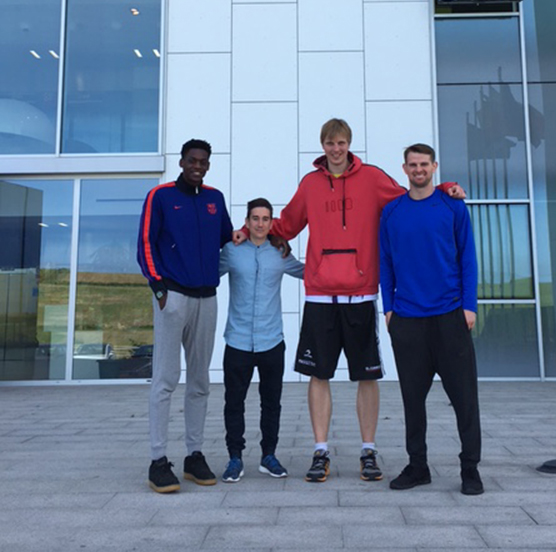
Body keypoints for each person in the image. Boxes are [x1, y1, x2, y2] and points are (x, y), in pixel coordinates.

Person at [234, 118, 465, 483]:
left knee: (366, 376)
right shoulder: (311, 184)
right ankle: (320, 451)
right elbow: (286, 224)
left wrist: (444, 187)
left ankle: (368, 451)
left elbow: (411, 196)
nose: (336, 149)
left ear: (349, 144)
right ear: (323, 146)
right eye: (330, 143)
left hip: (361, 294)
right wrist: (247, 229)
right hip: (320, 296)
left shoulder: (372, 178)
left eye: (341, 142)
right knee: (318, 374)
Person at [379, 143, 483, 496]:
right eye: (413, 165)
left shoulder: (452, 206)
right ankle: (418, 466)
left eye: (424, 164)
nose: (419, 169)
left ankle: (470, 469)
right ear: (404, 169)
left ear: (434, 167)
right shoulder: (392, 212)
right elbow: (385, 262)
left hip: (450, 316)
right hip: (408, 319)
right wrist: (389, 310)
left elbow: (467, 257)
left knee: (465, 399)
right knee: (412, 401)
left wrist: (469, 306)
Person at [137, 139, 233, 494]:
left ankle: (194, 455)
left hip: (207, 298)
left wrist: (266, 240)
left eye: (203, 161)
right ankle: (158, 460)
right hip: (173, 297)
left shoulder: (214, 199)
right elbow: (145, 244)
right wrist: (159, 289)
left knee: (200, 381)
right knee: (165, 379)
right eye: (192, 160)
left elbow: (228, 240)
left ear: (208, 165)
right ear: (181, 162)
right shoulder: (160, 196)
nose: (198, 166)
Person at [218, 198, 304, 483]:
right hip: (238, 341)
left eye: (265, 219)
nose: (259, 224)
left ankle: (269, 456)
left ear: (271, 222)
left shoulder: (279, 252)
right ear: (247, 221)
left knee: (272, 403)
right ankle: (235, 458)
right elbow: (206, 274)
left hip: (271, 342)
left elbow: (308, 273)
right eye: (255, 218)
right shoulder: (231, 251)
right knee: (234, 402)